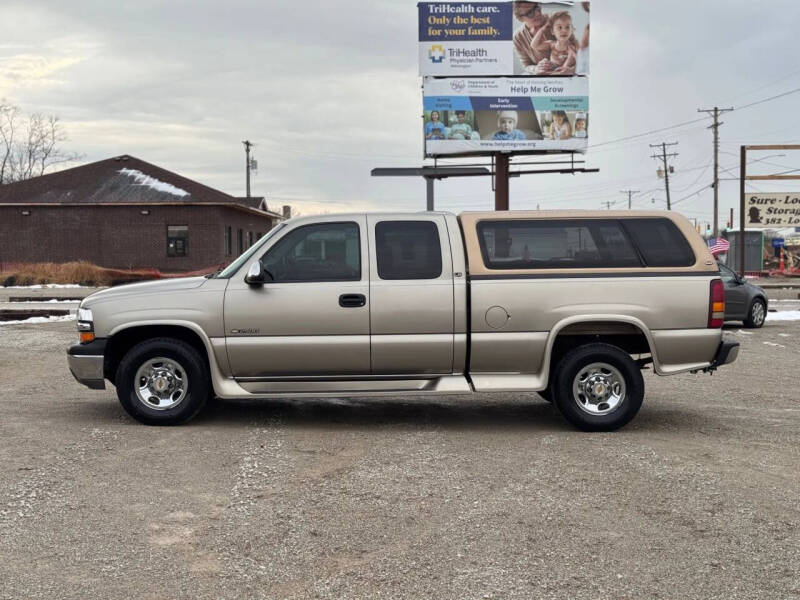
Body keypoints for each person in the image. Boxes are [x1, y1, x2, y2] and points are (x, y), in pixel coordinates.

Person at [512, 2, 554, 73]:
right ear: (520, 18)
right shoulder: (518, 37)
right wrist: (536, 68)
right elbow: (527, 65)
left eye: (537, 8)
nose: (537, 13)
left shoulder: (555, 20)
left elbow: (574, 51)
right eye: (530, 13)